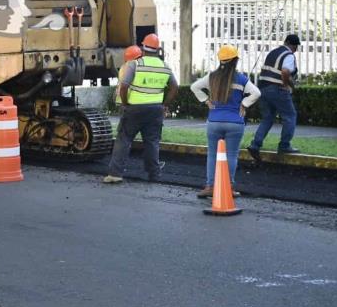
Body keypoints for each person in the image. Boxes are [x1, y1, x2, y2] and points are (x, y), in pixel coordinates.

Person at [104, 33, 178, 184]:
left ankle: (115, 174)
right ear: (158, 50)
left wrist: (125, 103)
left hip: (134, 109)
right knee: (152, 142)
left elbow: (124, 86)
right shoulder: (165, 66)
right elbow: (175, 87)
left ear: (143, 48)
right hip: (155, 110)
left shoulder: (135, 64)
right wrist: (164, 104)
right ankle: (154, 175)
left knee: (124, 139)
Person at [190, 45, 261, 198]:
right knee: (231, 155)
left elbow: (194, 87)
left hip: (214, 121)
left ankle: (209, 186)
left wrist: (206, 100)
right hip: (235, 122)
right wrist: (244, 104)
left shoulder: (211, 77)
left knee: (212, 154)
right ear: (235, 60)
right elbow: (256, 93)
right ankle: (228, 187)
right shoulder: (241, 79)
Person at [247, 34, 301, 161]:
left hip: (262, 88)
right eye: (295, 46)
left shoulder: (273, 52)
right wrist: (289, 85)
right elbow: (285, 72)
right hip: (277, 89)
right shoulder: (288, 55)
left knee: (268, 118)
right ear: (293, 46)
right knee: (290, 116)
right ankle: (284, 145)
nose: (295, 49)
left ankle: (255, 144)